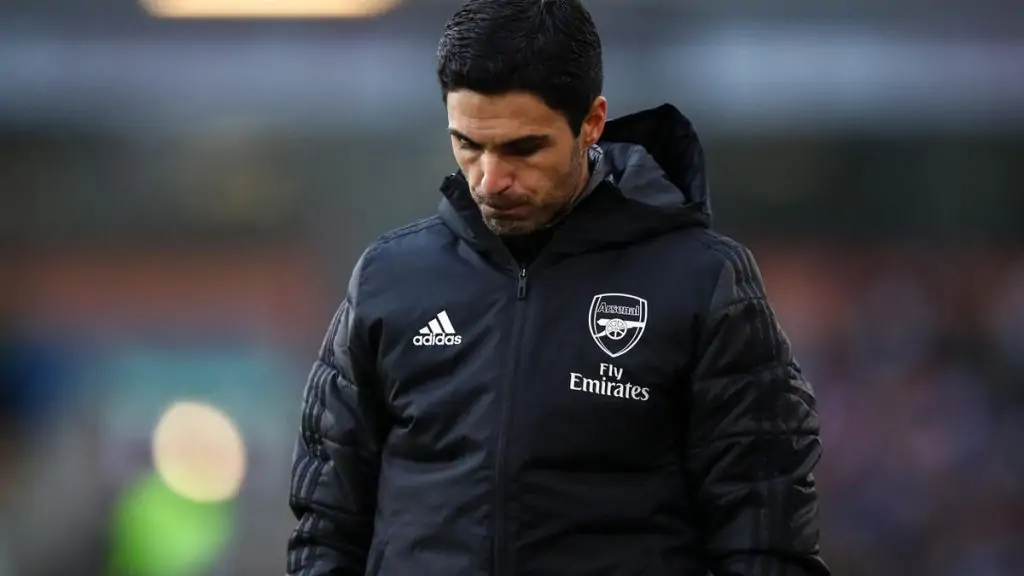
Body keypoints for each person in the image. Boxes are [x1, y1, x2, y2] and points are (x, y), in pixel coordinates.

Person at [286, 0, 829, 574]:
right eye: (468, 144)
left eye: (522, 148)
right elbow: (326, 523)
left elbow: (764, 530)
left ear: (592, 123)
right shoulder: (388, 277)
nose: (490, 180)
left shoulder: (703, 283)